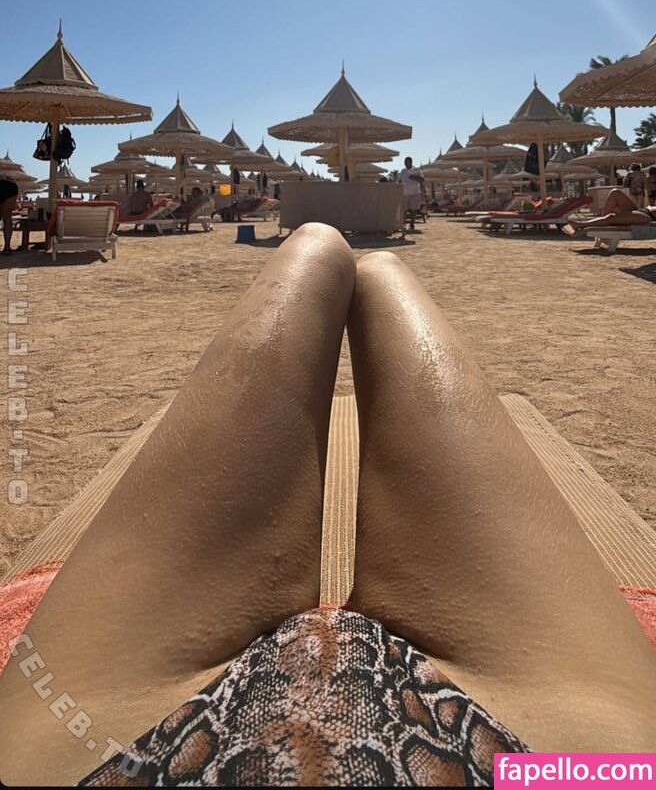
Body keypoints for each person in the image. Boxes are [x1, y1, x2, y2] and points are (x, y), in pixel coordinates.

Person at [0, 224, 653, 788]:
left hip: (121, 749)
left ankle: (340, 250)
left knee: (316, 247)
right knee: (370, 268)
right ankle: (363, 260)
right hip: (542, 767)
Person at [564, 187, 656, 234]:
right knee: (615, 192)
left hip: (648, 218)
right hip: (644, 210)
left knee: (612, 217)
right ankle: (602, 221)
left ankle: (580, 225)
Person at [399, 156, 424, 230]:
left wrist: (414, 177)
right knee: (404, 210)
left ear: (410, 162)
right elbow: (400, 180)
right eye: (405, 162)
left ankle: (412, 224)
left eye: (407, 162)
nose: (405, 163)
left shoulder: (417, 170)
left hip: (415, 193)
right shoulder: (403, 171)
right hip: (404, 193)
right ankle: (403, 225)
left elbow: (422, 180)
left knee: (414, 209)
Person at [0, 177, 18, 255]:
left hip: (9, 185)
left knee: (6, 217)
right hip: (10, 185)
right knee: (7, 217)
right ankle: (7, 247)